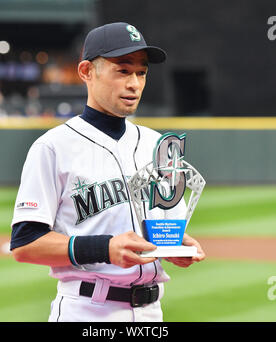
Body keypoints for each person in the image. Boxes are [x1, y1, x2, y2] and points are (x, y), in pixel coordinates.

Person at [10, 22, 205, 322]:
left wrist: (176, 246)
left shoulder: (158, 145)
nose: (134, 84)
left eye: (141, 72)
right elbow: (25, 244)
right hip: (87, 309)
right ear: (87, 71)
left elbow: (162, 228)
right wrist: (104, 248)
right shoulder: (52, 147)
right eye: (123, 70)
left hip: (151, 312)